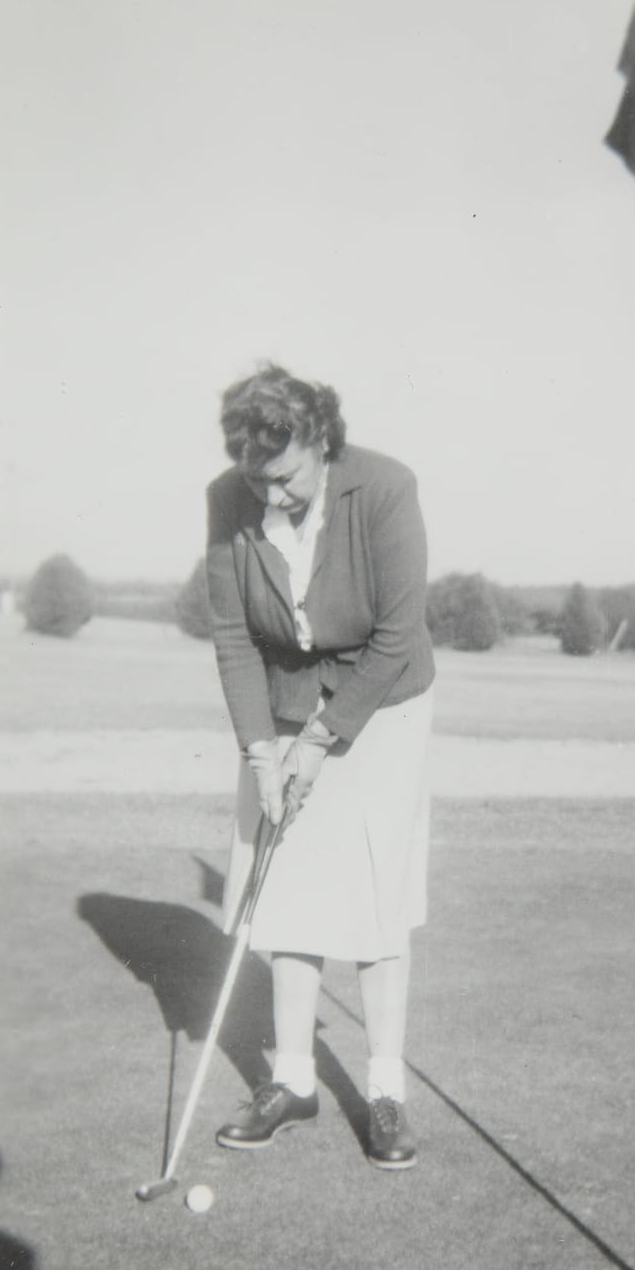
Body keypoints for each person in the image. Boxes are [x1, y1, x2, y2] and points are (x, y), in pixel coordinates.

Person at [204, 362, 435, 1169]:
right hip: (282, 701)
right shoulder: (229, 499)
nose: (270, 498)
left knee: (374, 903)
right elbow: (234, 636)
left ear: (321, 441)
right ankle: (293, 1080)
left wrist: (322, 738)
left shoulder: (384, 489)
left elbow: (399, 637)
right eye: (255, 479)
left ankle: (385, 1092)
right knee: (287, 889)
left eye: (287, 478)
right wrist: (261, 751)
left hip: (383, 702)